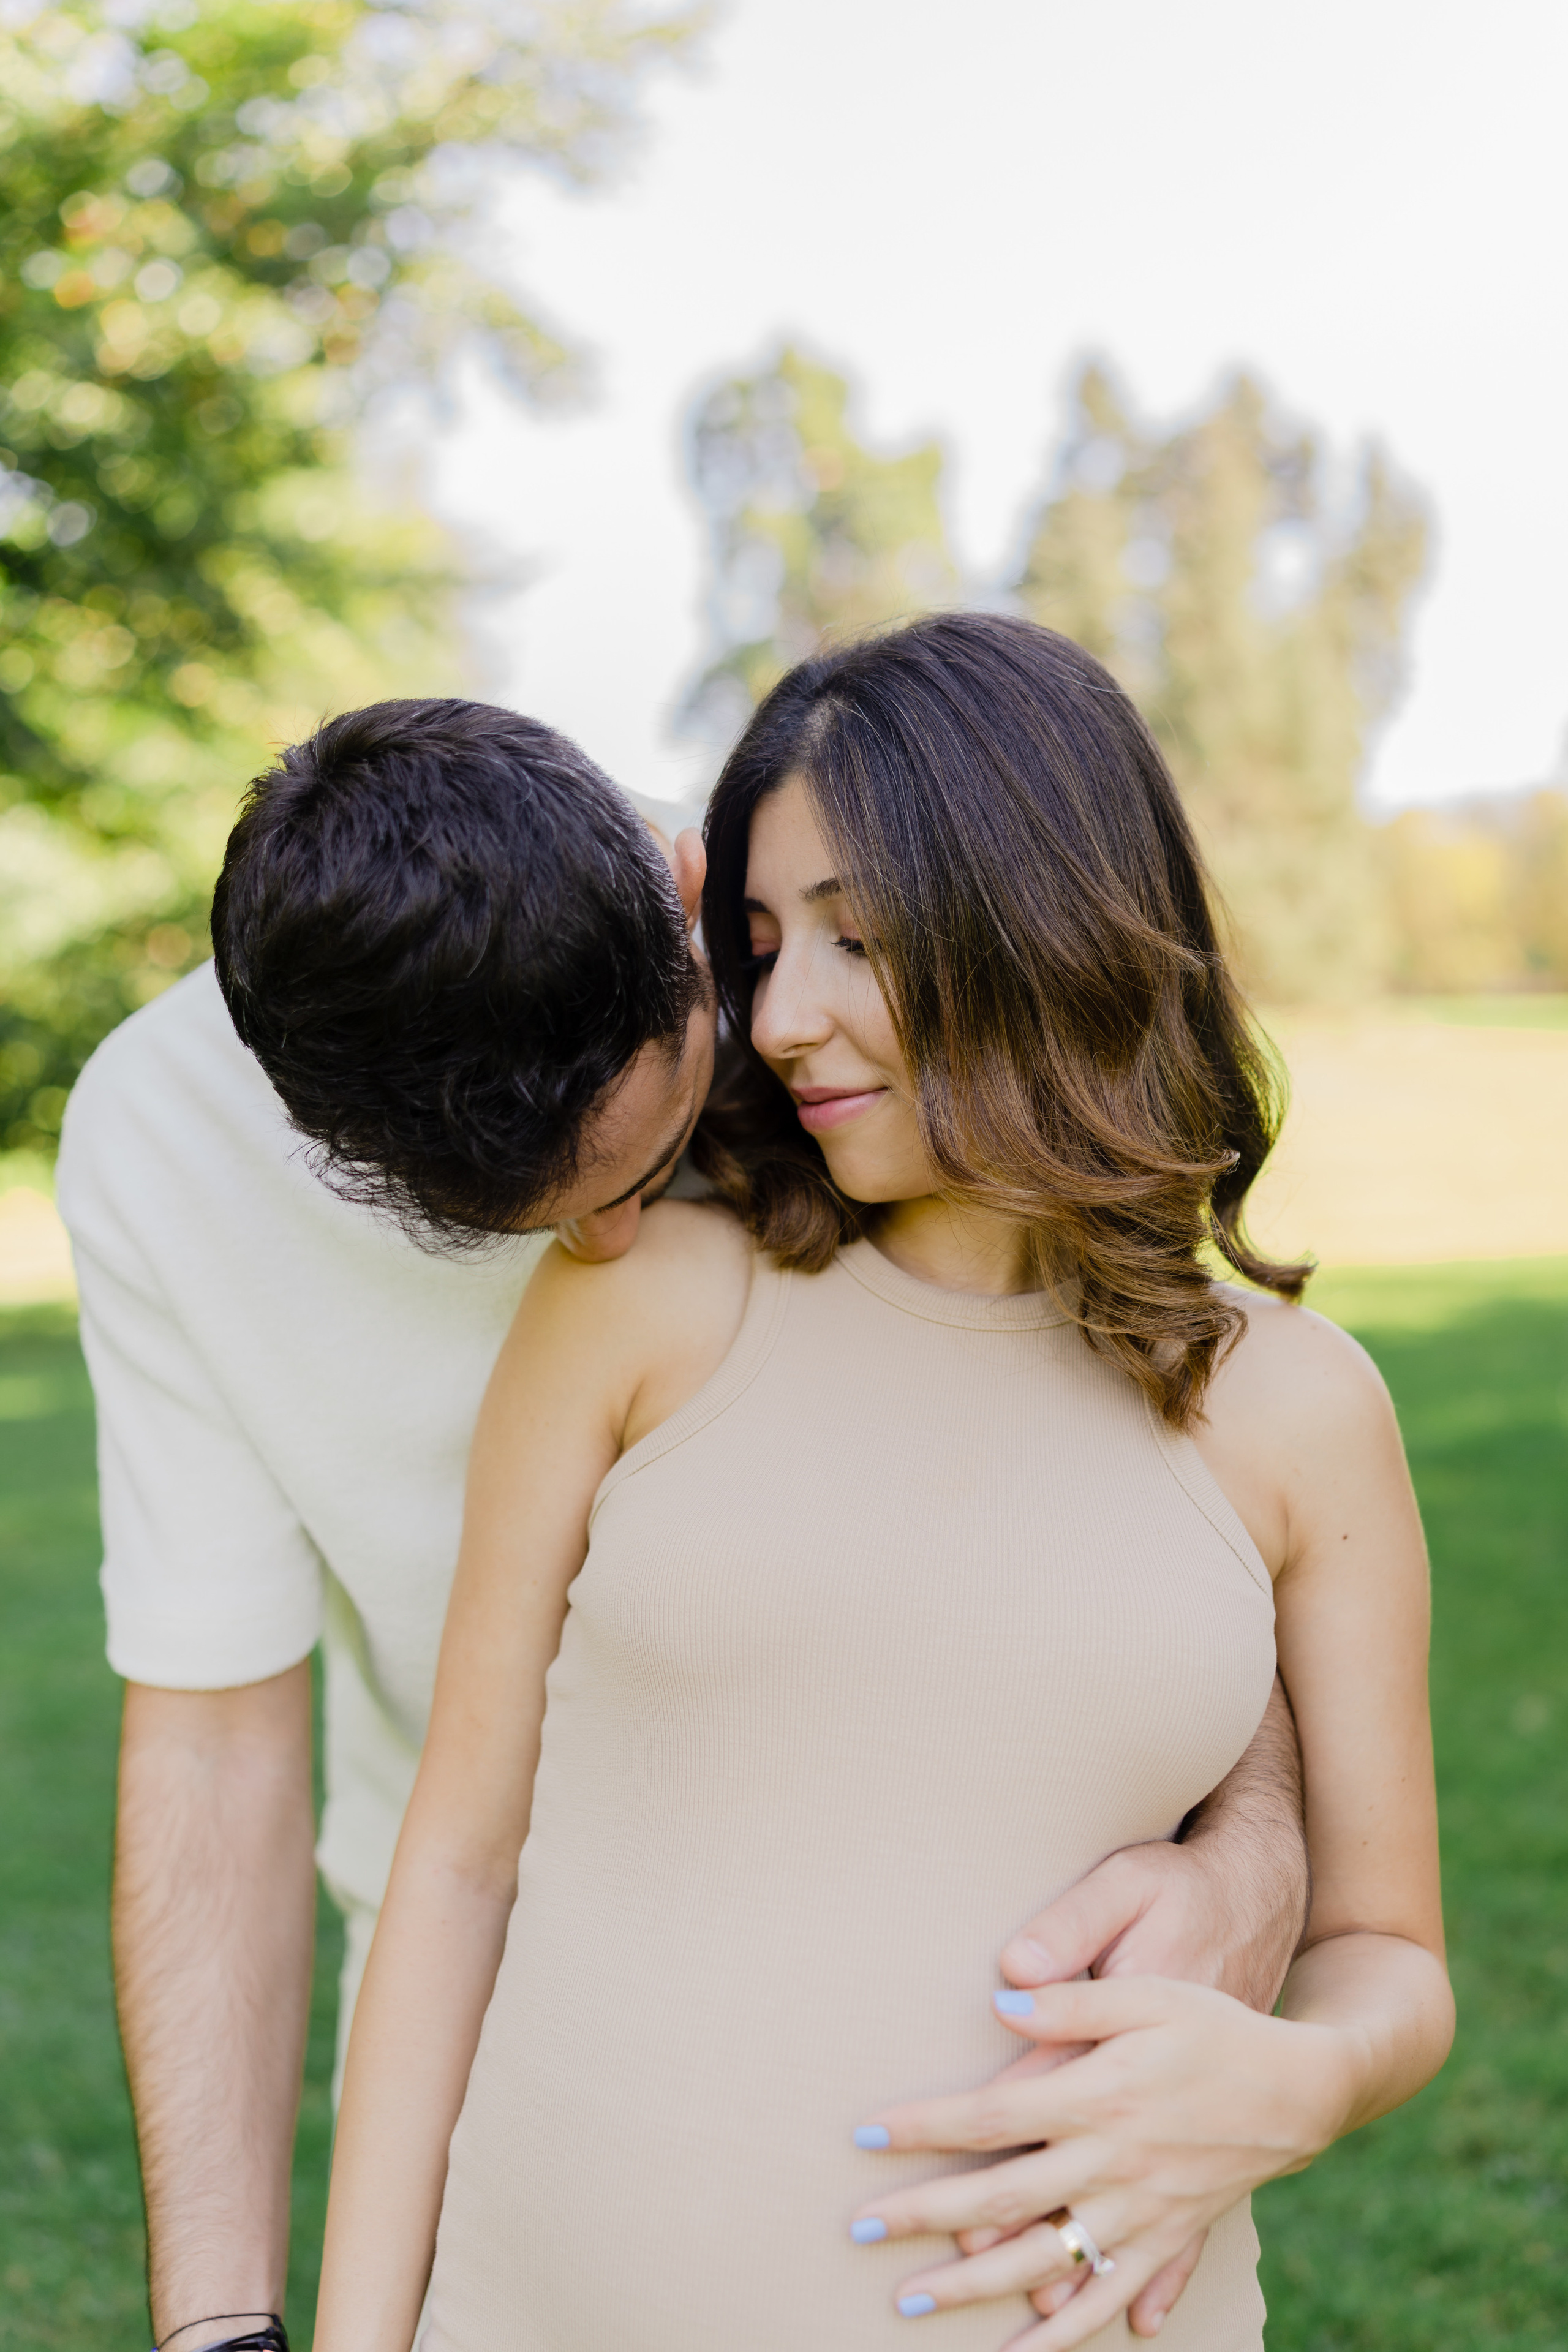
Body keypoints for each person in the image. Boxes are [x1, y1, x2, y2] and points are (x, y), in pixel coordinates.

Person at [57, 696, 1306, 2352]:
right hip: (488, 2027)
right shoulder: (165, 1143)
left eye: (659, 1159)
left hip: (980, 2020)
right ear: (329, 1147)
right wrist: (223, 2329)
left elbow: (1176, 1428)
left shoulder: (822, 944)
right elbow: (216, 1749)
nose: (632, 1241)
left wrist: (1258, 1847)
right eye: (560, 1218)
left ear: (681, 890)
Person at [312, 616, 1452, 2352]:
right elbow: (454, 1867)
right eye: (760, 945)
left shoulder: (1298, 1411)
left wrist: (1300, 2081)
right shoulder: (644, 1301)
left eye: (859, 938)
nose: (781, 1016)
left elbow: (1391, 1949)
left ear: (1045, 921)